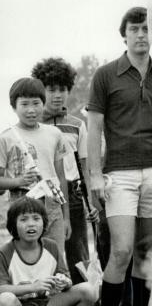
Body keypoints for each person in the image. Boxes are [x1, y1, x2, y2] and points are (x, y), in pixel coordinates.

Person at [87, 7, 152, 306]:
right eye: (134, 29)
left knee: (147, 252)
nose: (140, 34)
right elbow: (94, 127)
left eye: (147, 29)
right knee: (121, 251)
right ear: (124, 34)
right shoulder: (106, 75)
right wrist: (95, 174)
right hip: (118, 173)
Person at [0, 197, 96, 306]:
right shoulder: (5, 252)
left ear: (44, 223)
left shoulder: (51, 246)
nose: (31, 224)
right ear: (13, 225)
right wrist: (33, 287)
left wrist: (63, 281)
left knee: (88, 290)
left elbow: (66, 278)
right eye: (24, 219)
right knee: (5, 300)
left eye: (36, 218)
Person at [31, 58, 98, 284]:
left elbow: (85, 167)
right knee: (45, 254)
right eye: (51, 90)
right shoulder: (31, 124)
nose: (58, 95)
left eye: (63, 89)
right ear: (41, 91)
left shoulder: (77, 124)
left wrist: (92, 202)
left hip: (74, 195)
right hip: (41, 195)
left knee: (79, 253)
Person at [0, 78, 71, 254]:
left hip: (53, 206)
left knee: (55, 258)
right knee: (27, 259)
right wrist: (19, 181)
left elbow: (61, 177)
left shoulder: (54, 134)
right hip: (22, 208)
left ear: (43, 104)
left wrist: (66, 217)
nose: (31, 110)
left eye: (36, 103)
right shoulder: (6, 138)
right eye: (24, 104)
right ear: (14, 107)